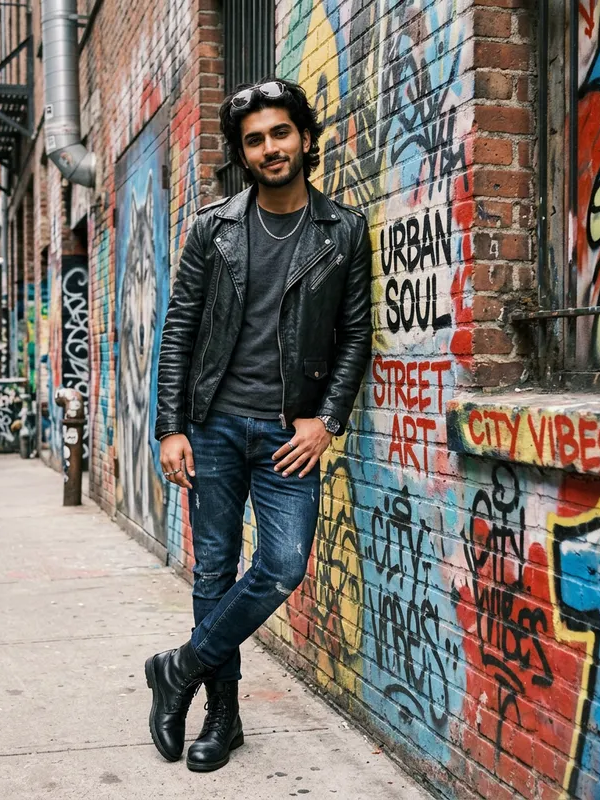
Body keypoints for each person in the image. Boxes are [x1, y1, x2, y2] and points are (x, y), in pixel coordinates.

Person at [145, 78, 371, 772]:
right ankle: (224, 716)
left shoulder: (344, 231)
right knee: (213, 572)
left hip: (287, 436)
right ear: (242, 155)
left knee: (281, 565)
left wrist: (327, 421)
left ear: (304, 138)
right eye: (255, 140)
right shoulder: (213, 228)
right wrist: (170, 427)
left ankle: (177, 668)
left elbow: (356, 335)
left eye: (280, 134)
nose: (269, 148)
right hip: (212, 427)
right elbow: (179, 328)